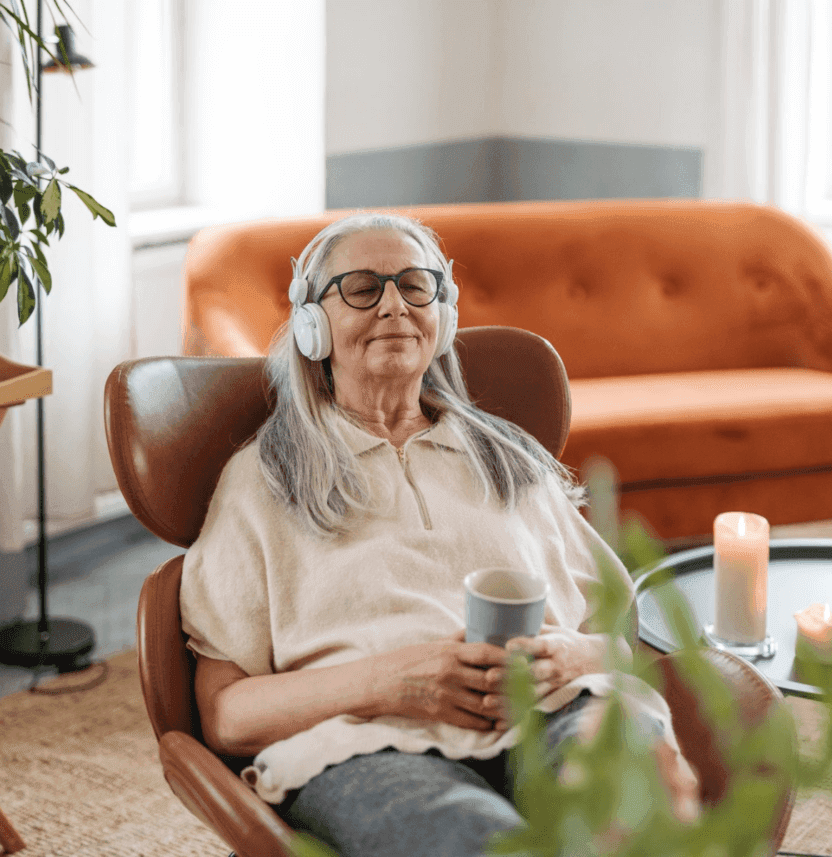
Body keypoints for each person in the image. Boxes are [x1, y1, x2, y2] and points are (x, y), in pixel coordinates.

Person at [179, 211, 699, 857]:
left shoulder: (512, 458)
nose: (394, 304)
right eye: (363, 287)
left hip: (562, 707)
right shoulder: (262, 479)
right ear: (314, 325)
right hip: (361, 739)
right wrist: (386, 680)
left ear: (442, 314)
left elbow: (624, 637)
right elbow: (226, 715)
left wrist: (569, 654)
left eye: (415, 285)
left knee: (628, 810)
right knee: (473, 840)